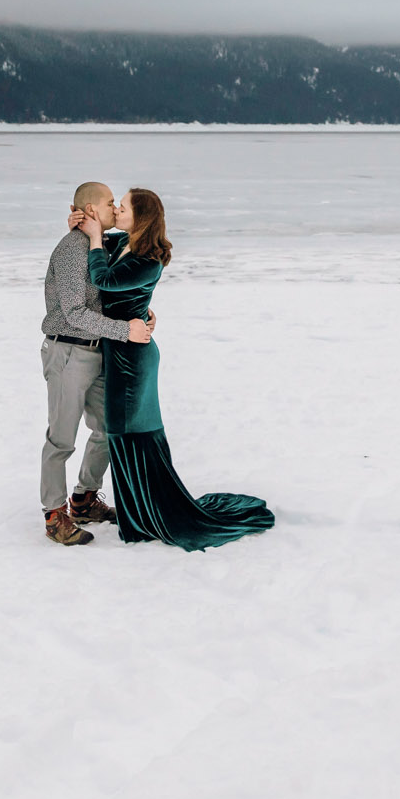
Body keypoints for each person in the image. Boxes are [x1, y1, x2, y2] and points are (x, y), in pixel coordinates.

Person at [77, 187, 275, 551]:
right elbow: (105, 244)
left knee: (127, 431)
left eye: (123, 207)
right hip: (125, 344)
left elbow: (103, 281)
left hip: (131, 357)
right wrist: (89, 228)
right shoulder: (125, 243)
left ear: (140, 218)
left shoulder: (147, 259)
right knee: (124, 431)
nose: (117, 210)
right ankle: (138, 508)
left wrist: (92, 239)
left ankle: (145, 514)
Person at [39, 181, 152, 546]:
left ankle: (85, 499)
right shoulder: (74, 249)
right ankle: (54, 515)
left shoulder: (97, 244)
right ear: (90, 211)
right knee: (61, 439)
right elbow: (73, 313)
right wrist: (124, 331)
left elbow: (112, 285)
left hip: (98, 350)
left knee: (107, 429)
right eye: (108, 203)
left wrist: (141, 314)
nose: (114, 207)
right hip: (68, 351)